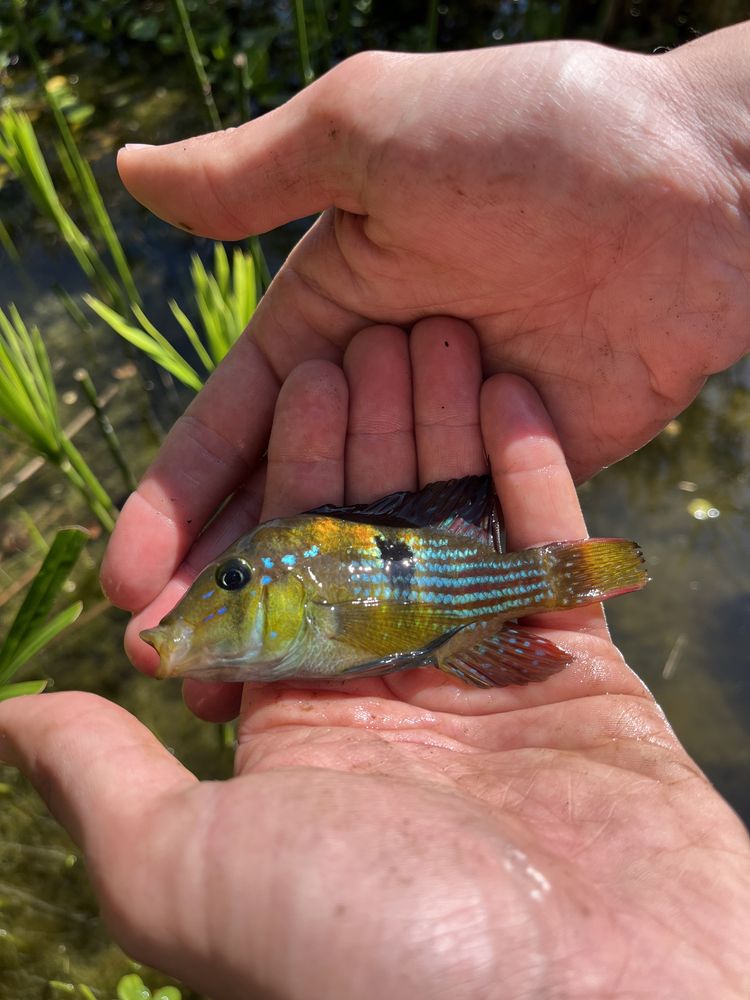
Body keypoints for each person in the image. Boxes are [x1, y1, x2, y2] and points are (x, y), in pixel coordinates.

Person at [1, 21, 749, 1000]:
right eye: (230, 582)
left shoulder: (302, 593)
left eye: (231, 583)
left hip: (450, 590)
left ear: (271, 591)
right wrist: (707, 146)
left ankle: (560, 576)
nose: (210, 604)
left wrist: (705, 141)